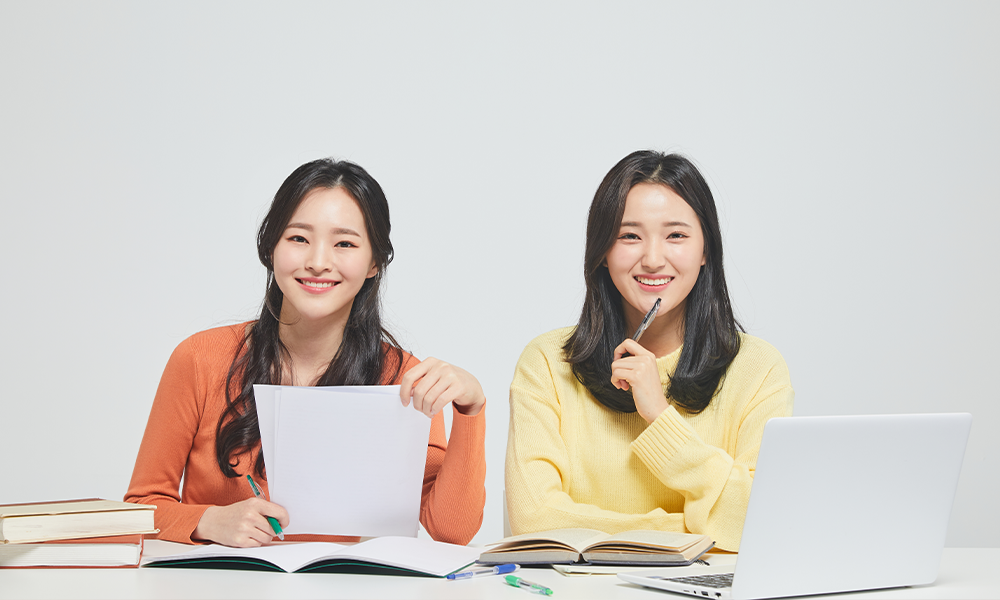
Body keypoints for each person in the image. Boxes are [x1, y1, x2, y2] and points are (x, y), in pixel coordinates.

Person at [126, 159, 486, 547]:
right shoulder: (199, 358)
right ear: (271, 247)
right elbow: (140, 506)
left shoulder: (402, 377)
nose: (318, 261)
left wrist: (471, 409)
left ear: (374, 264)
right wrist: (207, 521)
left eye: (344, 243)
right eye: (298, 238)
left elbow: (451, 531)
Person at [505, 150, 793, 552]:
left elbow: (761, 521)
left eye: (676, 235)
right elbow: (533, 521)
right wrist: (693, 530)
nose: (653, 259)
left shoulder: (758, 368)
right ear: (602, 252)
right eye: (629, 236)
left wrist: (659, 417)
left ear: (706, 249)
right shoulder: (549, 363)